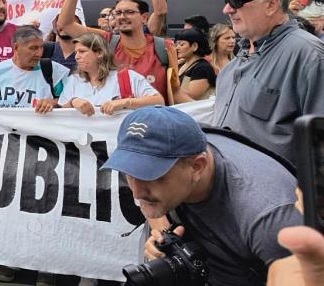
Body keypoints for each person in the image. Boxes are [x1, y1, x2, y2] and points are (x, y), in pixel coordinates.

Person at [103, 106, 303, 285]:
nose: (137, 193)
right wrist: (163, 231)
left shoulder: (269, 217)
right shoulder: (184, 142)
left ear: (197, 166)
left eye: (152, 175)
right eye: (130, 173)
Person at [212, 0, 324, 165]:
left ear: (271, 4)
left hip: (283, 185)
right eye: (226, 1)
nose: (227, 9)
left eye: (237, 1)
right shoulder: (231, 67)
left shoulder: (308, 54)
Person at [58, 0, 179, 101]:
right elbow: (65, 25)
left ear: (144, 18)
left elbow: (175, 92)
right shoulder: (107, 42)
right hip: (114, 114)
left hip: (155, 113)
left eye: (129, 12)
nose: (122, 17)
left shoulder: (163, 48)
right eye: (118, 12)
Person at [0, 26, 68, 112]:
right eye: (33, 48)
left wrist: (52, 102)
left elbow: (69, 101)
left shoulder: (53, 71)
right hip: (3, 129)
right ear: (16, 48)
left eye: (41, 47)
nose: (39, 53)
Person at [56, 33, 163, 116]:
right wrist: (73, 102)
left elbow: (158, 101)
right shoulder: (73, 79)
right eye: (76, 52)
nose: (76, 57)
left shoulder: (127, 76)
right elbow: (60, 113)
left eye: (82, 51)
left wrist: (124, 103)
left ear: (99, 53)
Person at [172, 28, 216, 102]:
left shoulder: (202, 68)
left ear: (194, 46)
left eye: (181, 44)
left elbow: (192, 95)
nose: (177, 48)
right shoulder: (180, 64)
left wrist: (170, 88)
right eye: (176, 44)